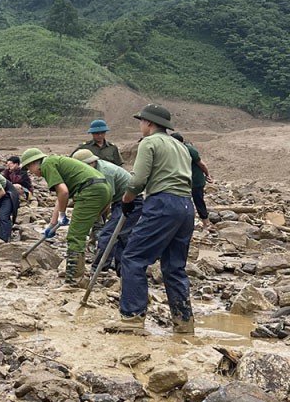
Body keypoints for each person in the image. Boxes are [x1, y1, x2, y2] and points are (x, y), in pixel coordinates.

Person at [113, 104, 195, 334]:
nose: (140, 125)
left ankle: (132, 318)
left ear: (148, 123)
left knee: (133, 258)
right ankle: (184, 323)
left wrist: (127, 200)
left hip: (163, 203)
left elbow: (138, 181)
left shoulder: (149, 142)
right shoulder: (181, 146)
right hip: (186, 206)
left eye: (141, 121)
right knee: (175, 267)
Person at [20, 148, 111, 287]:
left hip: (90, 191)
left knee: (75, 236)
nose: (30, 172)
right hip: (103, 189)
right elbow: (59, 196)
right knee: (83, 232)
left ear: (34, 163)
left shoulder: (46, 165)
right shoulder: (56, 162)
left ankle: (74, 281)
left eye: (29, 168)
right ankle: (84, 273)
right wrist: (53, 223)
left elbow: (63, 193)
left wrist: (62, 215)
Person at [71, 149, 143, 274]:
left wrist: (98, 217)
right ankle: (122, 269)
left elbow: (106, 200)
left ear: (91, 163)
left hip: (131, 202)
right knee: (122, 235)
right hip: (120, 201)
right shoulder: (94, 170)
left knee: (109, 234)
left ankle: (100, 267)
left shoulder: (104, 173)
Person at [171, 133, 214, 231]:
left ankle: (206, 222)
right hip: (184, 180)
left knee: (198, 200)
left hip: (196, 180)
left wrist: (207, 175)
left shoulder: (189, 150)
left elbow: (202, 164)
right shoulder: (175, 151)